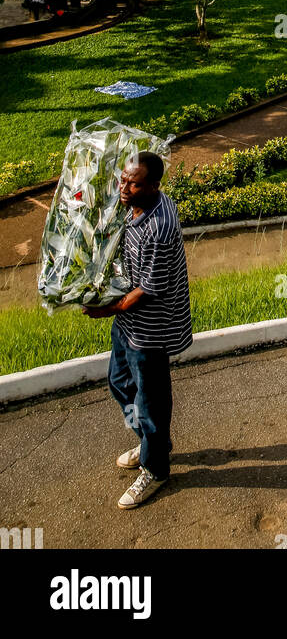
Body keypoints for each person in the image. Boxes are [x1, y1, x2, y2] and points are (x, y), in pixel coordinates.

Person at [83, 152, 192, 509]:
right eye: (123, 180)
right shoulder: (140, 203)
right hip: (127, 321)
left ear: (154, 187)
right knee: (119, 382)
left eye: (134, 184)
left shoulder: (159, 229)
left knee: (151, 403)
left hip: (149, 328)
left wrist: (104, 310)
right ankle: (150, 441)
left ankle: (155, 469)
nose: (124, 189)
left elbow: (146, 292)